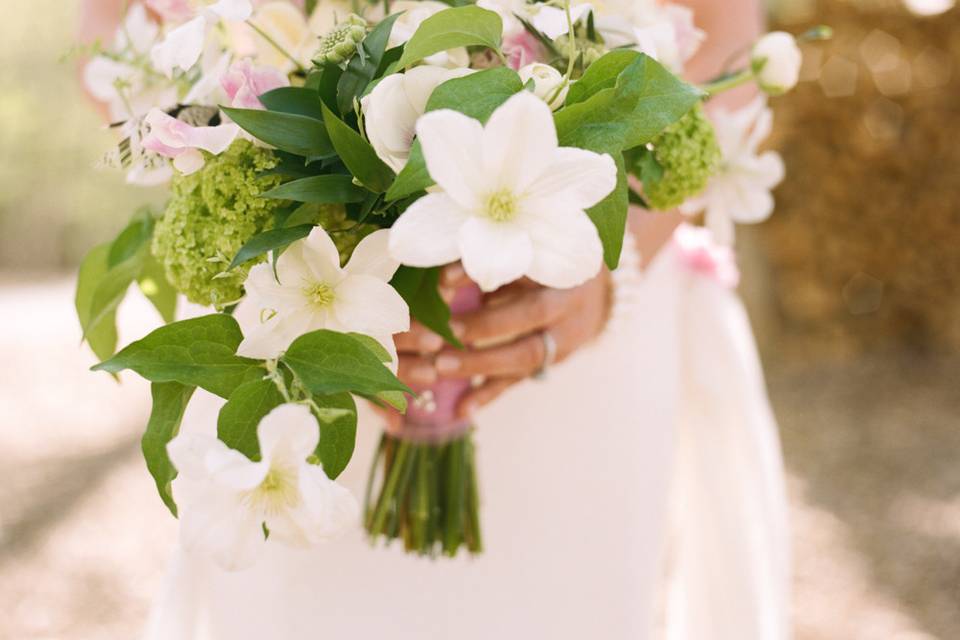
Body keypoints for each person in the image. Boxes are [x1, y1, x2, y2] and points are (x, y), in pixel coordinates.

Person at [80, 1, 789, 638]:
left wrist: (616, 262)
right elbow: (106, 30)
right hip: (295, 300)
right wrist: (235, 154)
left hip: (580, 318)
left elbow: (726, 33)